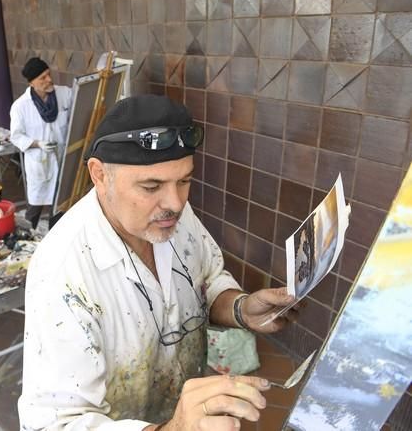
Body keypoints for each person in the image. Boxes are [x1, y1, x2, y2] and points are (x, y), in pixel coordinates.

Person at [18, 95, 301, 430]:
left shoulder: (169, 215)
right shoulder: (62, 274)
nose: (176, 203)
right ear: (100, 175)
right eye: (151, 186)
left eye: (184, 181)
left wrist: (240, 308)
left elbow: (206, 279)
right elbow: (54, 425)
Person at [10, 57, 72, 229]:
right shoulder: (20, 106)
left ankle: (55, 237)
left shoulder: (64, 94)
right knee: (35, 207)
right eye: (42, 78)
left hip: (61, 159)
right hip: (39, 163)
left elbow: (81, 109)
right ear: (32, 83)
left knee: (59, 206)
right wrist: (38, 144)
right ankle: (26, 238)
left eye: (48, 74)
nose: (49, 80)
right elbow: (16, 136)